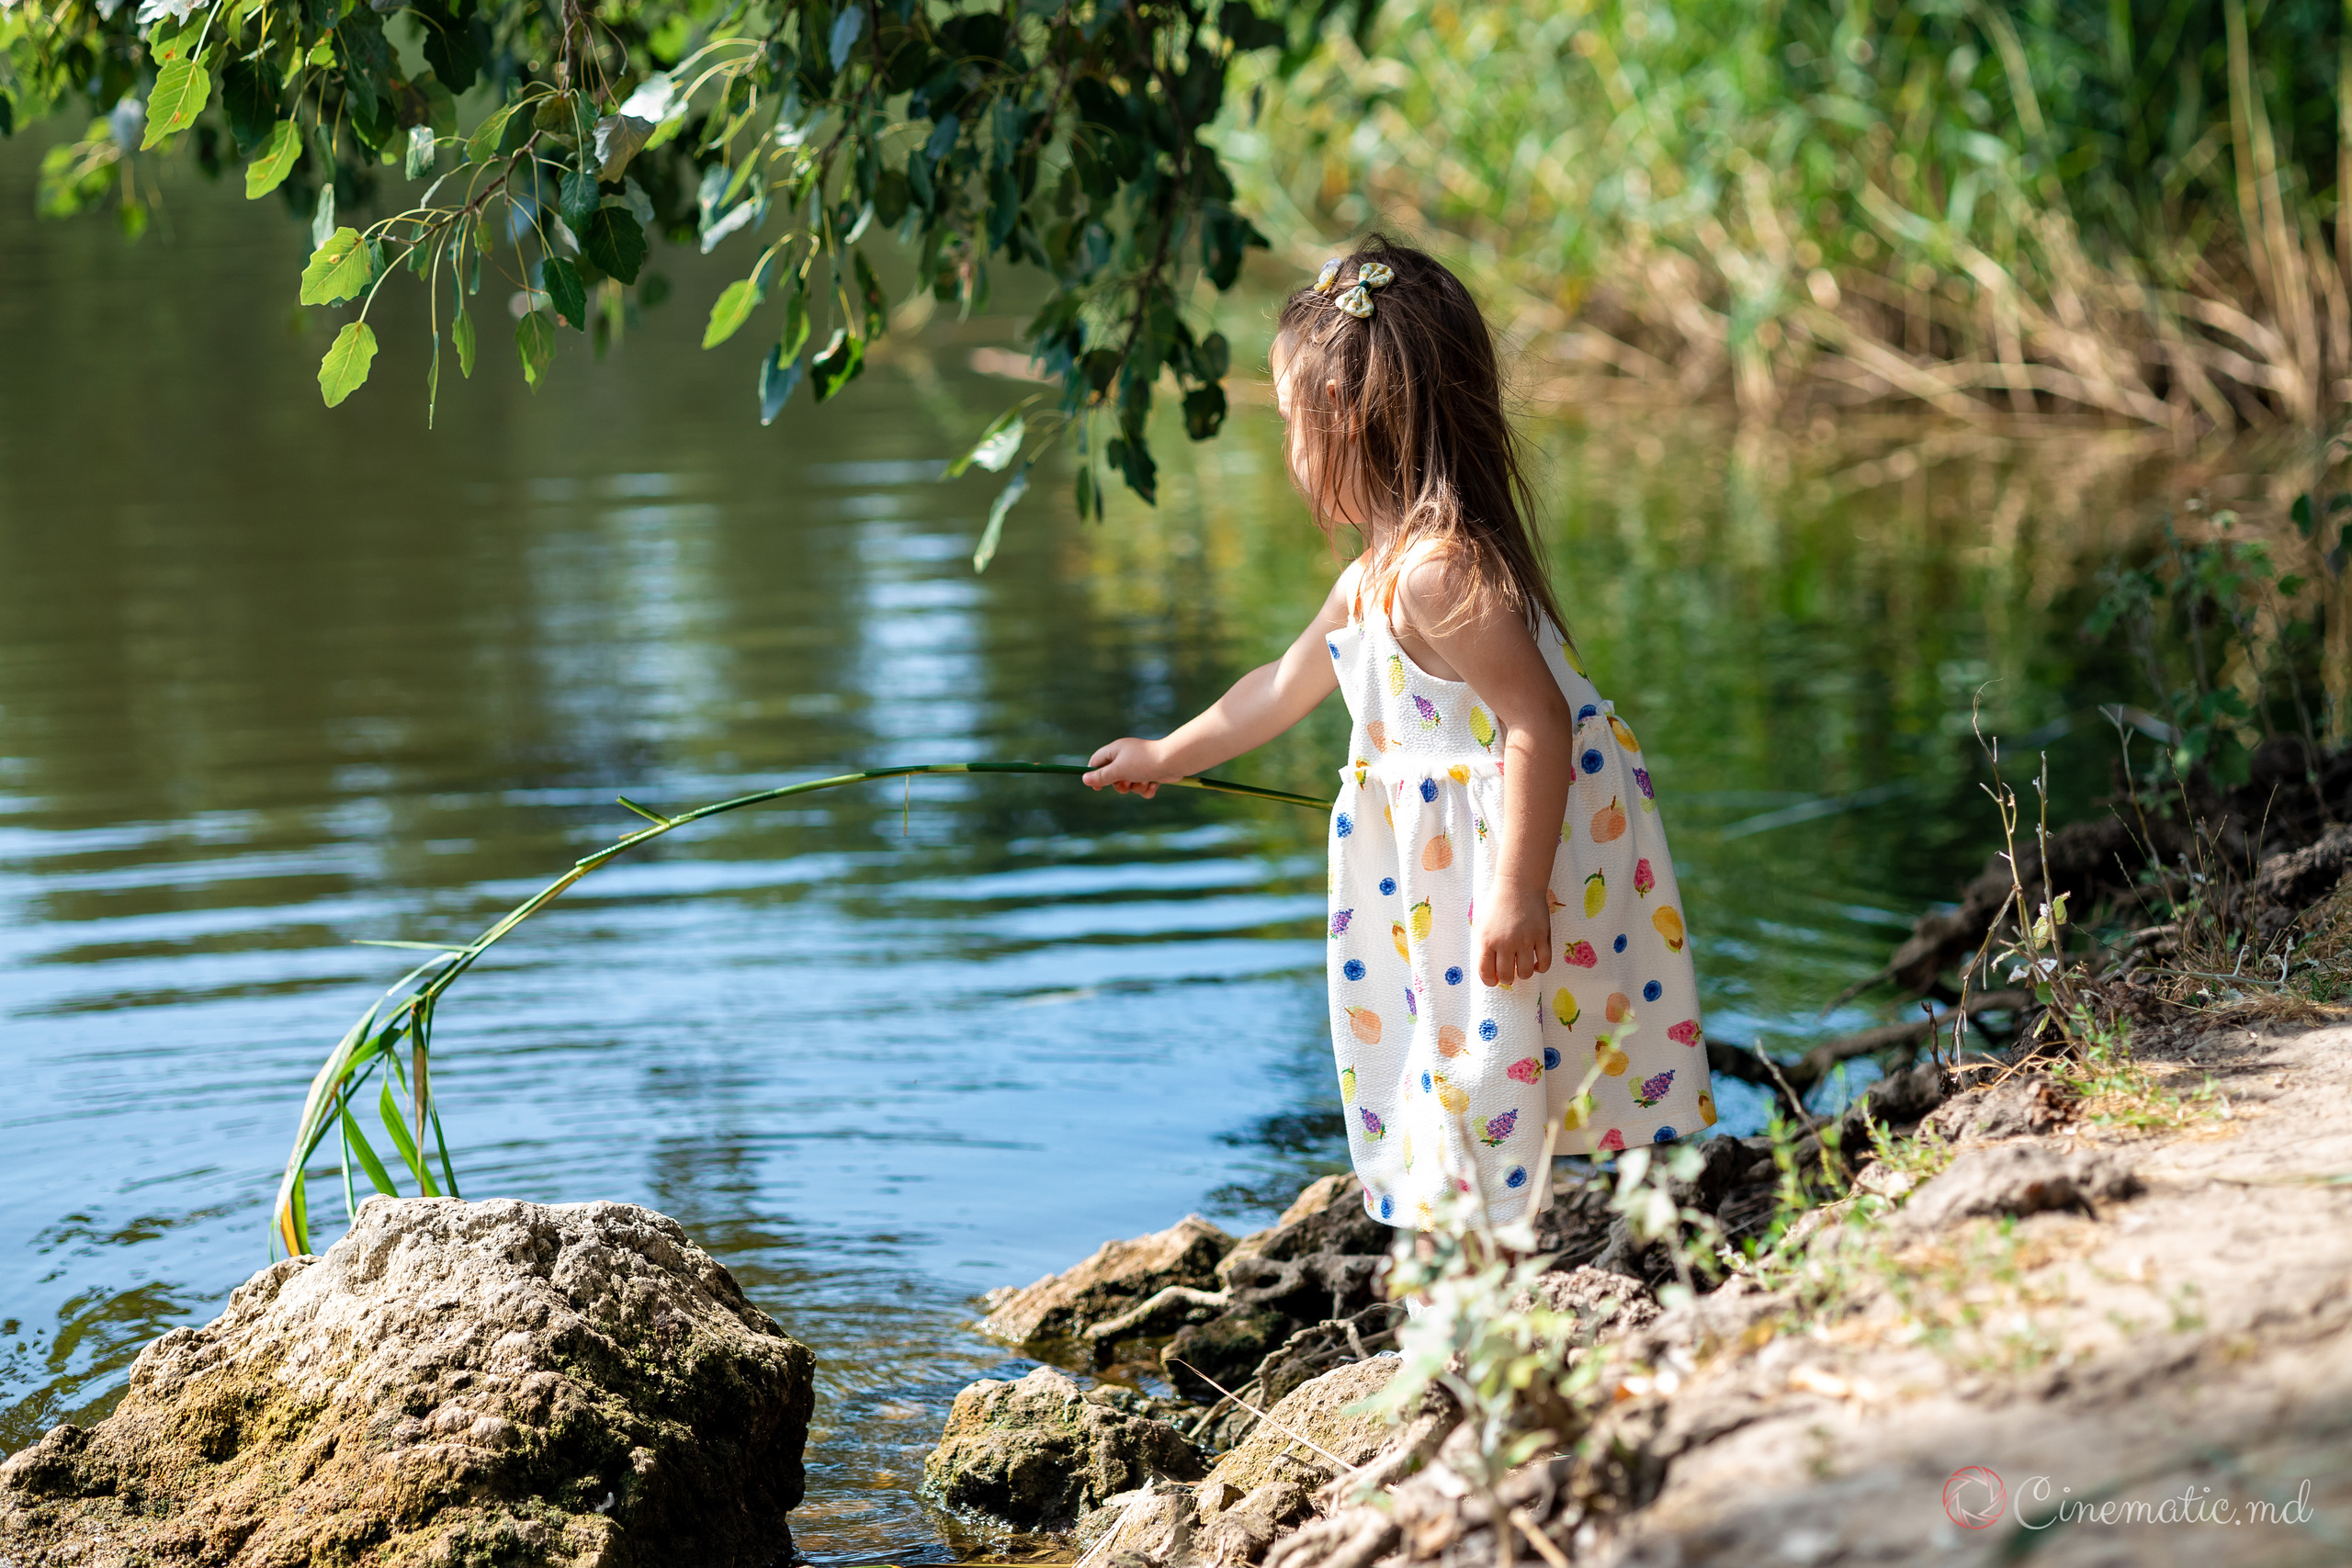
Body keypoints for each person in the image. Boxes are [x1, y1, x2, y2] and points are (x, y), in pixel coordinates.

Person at [1084, 236, 1714, 1229]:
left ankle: (1477, 1299)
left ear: (1340, 416)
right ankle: (1477, 1289)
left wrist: (1511, 895)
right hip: (1437, 884)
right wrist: (1168, 754)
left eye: (1293, 421)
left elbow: (1537, 723)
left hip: (1508, 870)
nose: (1291, 451)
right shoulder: (1374, 575)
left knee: (1478, 1086)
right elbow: (1278, 686)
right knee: (1455, 1079)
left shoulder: (1439, 574)